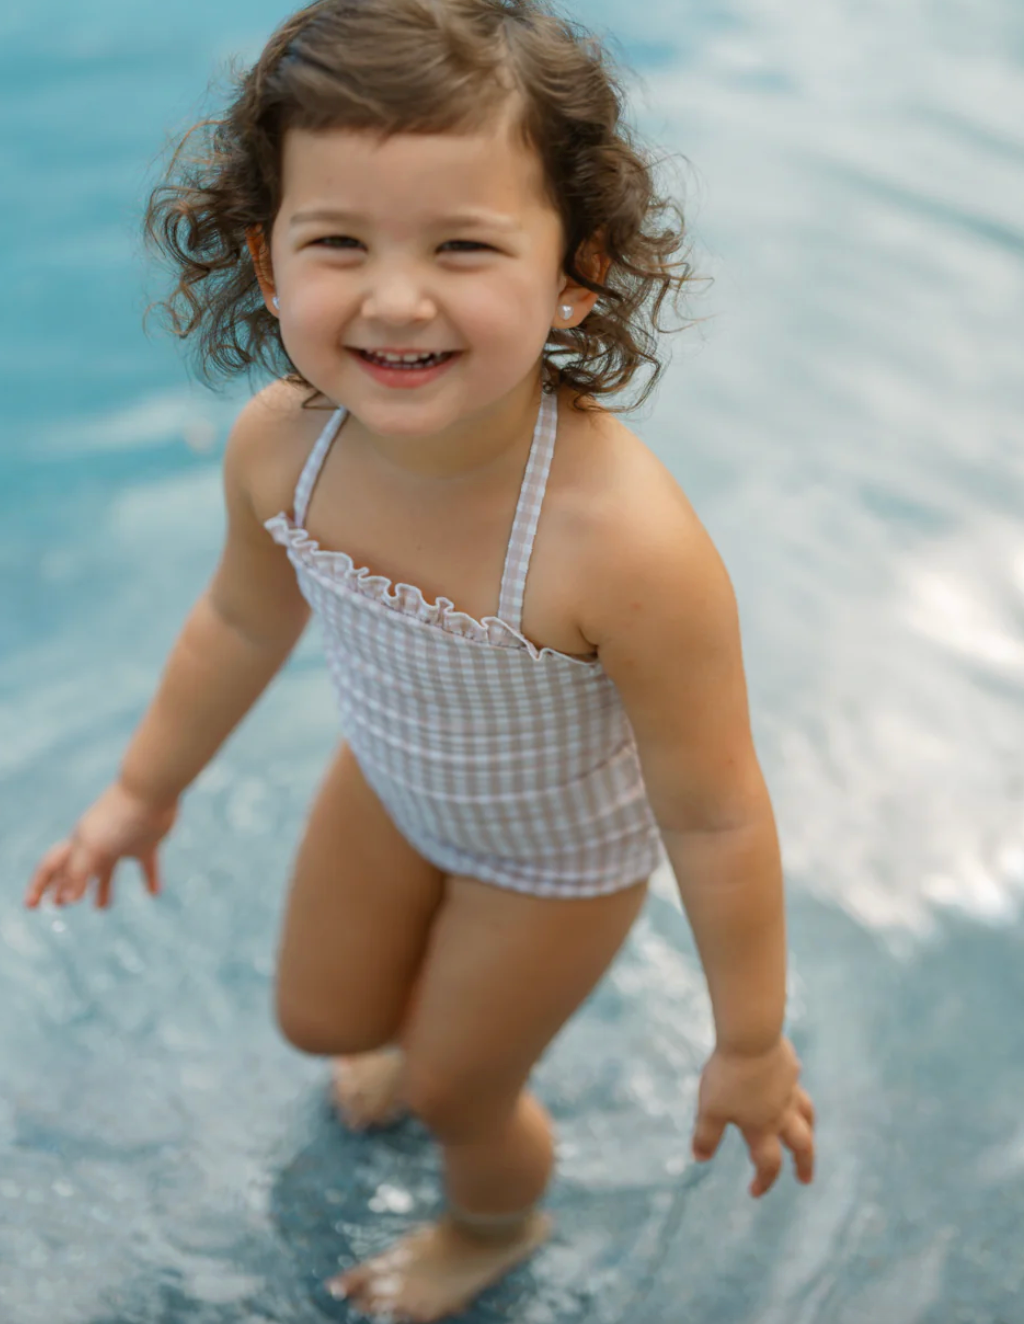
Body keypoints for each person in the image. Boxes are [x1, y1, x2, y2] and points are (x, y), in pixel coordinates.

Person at [25, 1, 816, 1318]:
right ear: (264, 261)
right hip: (393, 781)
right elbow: (239, 622)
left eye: (463, 245)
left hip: (554, 860)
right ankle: (429, 1030)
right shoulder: (285, 447)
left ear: (577, 272)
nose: (397, 299)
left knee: (455, 1091)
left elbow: (718, 812)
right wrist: (142, 794)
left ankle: (493, 1220)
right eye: (338, 242)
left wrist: (749, 1042)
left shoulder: (622, 547)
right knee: (324, 1025)